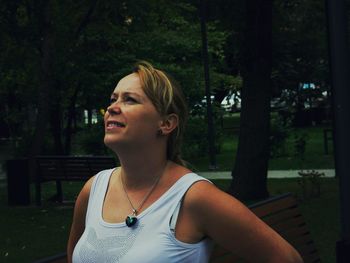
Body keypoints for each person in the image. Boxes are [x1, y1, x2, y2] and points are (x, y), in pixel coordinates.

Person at [67, 61, 303, 263]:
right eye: (113, 98)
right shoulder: (94, 189)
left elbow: (286, 259)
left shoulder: (194, 197)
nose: (112, 108)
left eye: (129, 100)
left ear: (166, 123)